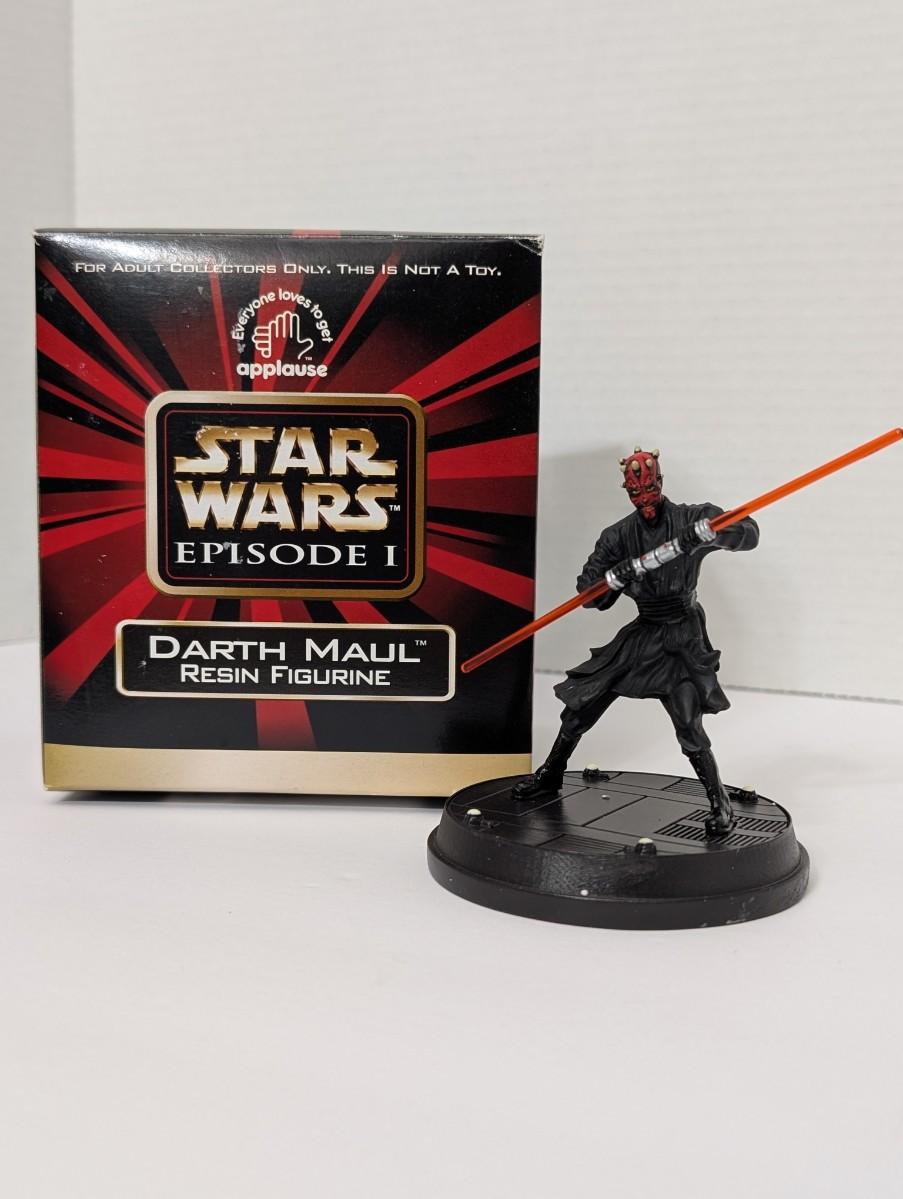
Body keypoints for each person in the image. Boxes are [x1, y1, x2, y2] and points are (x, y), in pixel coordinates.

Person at [513, 447, 759, 834]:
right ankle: (551, 773)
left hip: (682, 636)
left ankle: (719, 803)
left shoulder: (691, 517)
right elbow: (588, 595)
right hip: (644, 632)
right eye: (635, 493)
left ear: (660, 482)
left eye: (649, 489)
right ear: (627, 491)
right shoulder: (617, 537)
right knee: (583, 701)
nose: (644, 499)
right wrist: (616, 578)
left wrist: (711, 532)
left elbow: (748, 533)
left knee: (688, 724)